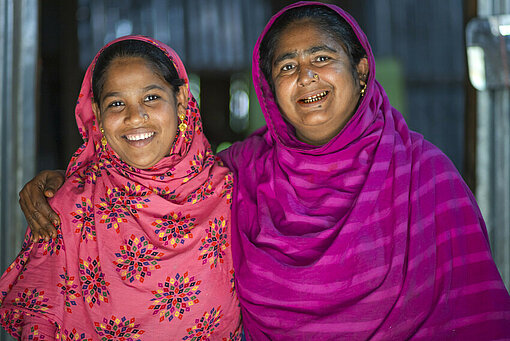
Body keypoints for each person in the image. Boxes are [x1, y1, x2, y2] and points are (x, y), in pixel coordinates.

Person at [17, 2, 510, 340]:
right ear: (269, 88)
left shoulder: (427, 179)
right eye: (287, 66)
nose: (306, 76)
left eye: (322, 57)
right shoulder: (238, 175)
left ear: (361, 72)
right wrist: (64, 182)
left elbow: (473, 314)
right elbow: (151, 179)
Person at [1, 35, 241, 339]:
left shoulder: (230, 193)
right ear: (99, 116)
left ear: (180, 101)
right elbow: (41, 320)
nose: (134, 117)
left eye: (151, 98)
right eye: (116, 103)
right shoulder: (71, 206)